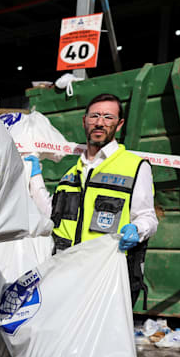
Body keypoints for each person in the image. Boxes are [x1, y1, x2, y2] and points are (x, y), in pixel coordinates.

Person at [32, 93, 158, 307]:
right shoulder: (71, 174)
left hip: (107, 277)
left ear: (119, 124)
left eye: (108, 117)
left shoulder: (135, 167)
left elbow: (148, 217)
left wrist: (137, 230)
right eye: (94, 116)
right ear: (85, 121)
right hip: (66, 273)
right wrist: (34, 178)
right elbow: (49, 214)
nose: (100, 122)